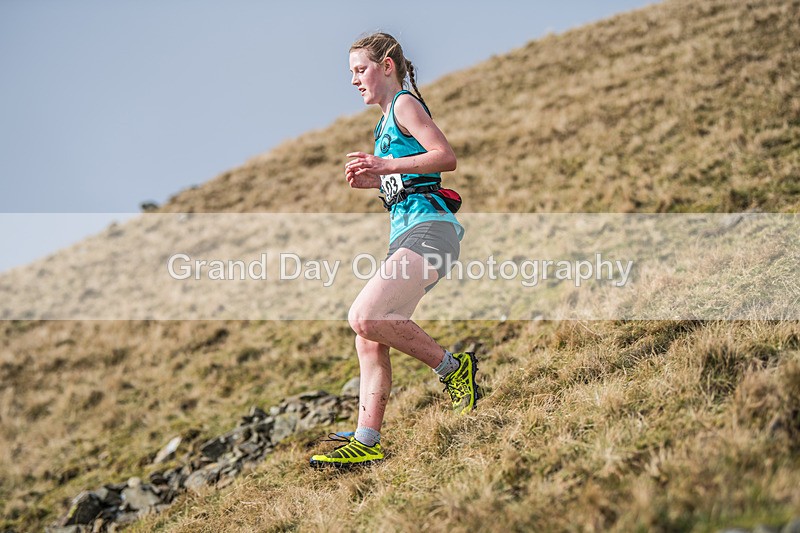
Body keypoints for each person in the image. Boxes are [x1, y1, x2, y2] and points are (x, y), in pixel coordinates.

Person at [310, 32, 480, 469]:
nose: (353, 80)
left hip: (432, 230)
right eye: (351, 73)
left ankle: (453, 369)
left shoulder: (405, 104)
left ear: (387, 66)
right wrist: (379, 182)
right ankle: (367, 439)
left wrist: (385, 165)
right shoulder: (384, 122)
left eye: (360, 70)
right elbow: (412, 177)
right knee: (367, 336)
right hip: (408, 234)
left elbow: (445, 156)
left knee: (365, 316)